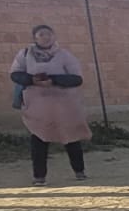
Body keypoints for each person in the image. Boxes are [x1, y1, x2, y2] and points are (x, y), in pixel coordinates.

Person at [9, 24, 89, 185]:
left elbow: (77, 78)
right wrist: (32, 80)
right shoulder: (24, 55)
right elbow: (15, 74)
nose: (46, 37)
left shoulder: (64, 55)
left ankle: (79, 170)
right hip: (37, 105)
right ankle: (39, 176)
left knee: (71, 137)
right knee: (39, 138)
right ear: (35, 38)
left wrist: (54, 80)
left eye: (49, 34)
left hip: (63, 104)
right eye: (41, 34)